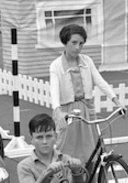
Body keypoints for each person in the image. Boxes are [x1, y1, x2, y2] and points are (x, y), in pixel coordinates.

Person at [49, 24, 124, 163]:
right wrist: (57, 110)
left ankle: (92, 179)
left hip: (87, 109)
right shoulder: (56, 65)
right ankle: (62, 180)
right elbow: (54, 90)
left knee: (92, 147)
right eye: (74, 43)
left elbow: (100, 81)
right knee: (64, 147)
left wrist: (117, 102)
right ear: (65, 42)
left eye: (81, 44)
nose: (77, 47)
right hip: (67, 112)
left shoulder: (87, 61)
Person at [17, 113, 85, 183]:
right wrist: (45, 175)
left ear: (56, 137)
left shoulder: (65, 159)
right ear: (31, 139)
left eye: (49, 136)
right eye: (39, 137)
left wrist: (76, 172)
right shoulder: (25, 166)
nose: (45, 142)